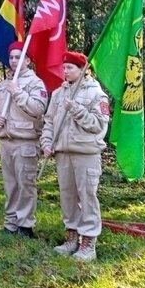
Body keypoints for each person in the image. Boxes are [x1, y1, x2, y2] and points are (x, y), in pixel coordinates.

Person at [40, 50, 111, 262]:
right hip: (63, 153)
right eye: (64, 67)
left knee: (87, 196)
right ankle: (72, 237)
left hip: (86, 153)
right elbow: (49, 121)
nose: (65, 71)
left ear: (83, 70)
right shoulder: (58, 93)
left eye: (70, 68)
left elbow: (99, 125)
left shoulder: (96, 94)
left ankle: (88, 243)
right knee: (67, 196)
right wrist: (47, 143)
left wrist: (76, 110)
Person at [0, 41, 48, 238]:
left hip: (25, 141)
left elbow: (38, 109)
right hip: (6, 140)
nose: (14, 61)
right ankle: (10, 223)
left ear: (27, 61)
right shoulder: (3, 84)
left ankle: (25, 224)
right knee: (10, 185)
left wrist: (18, 92)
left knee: (25, 184)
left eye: (18, 57)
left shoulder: (35, 83)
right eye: (11, 57)